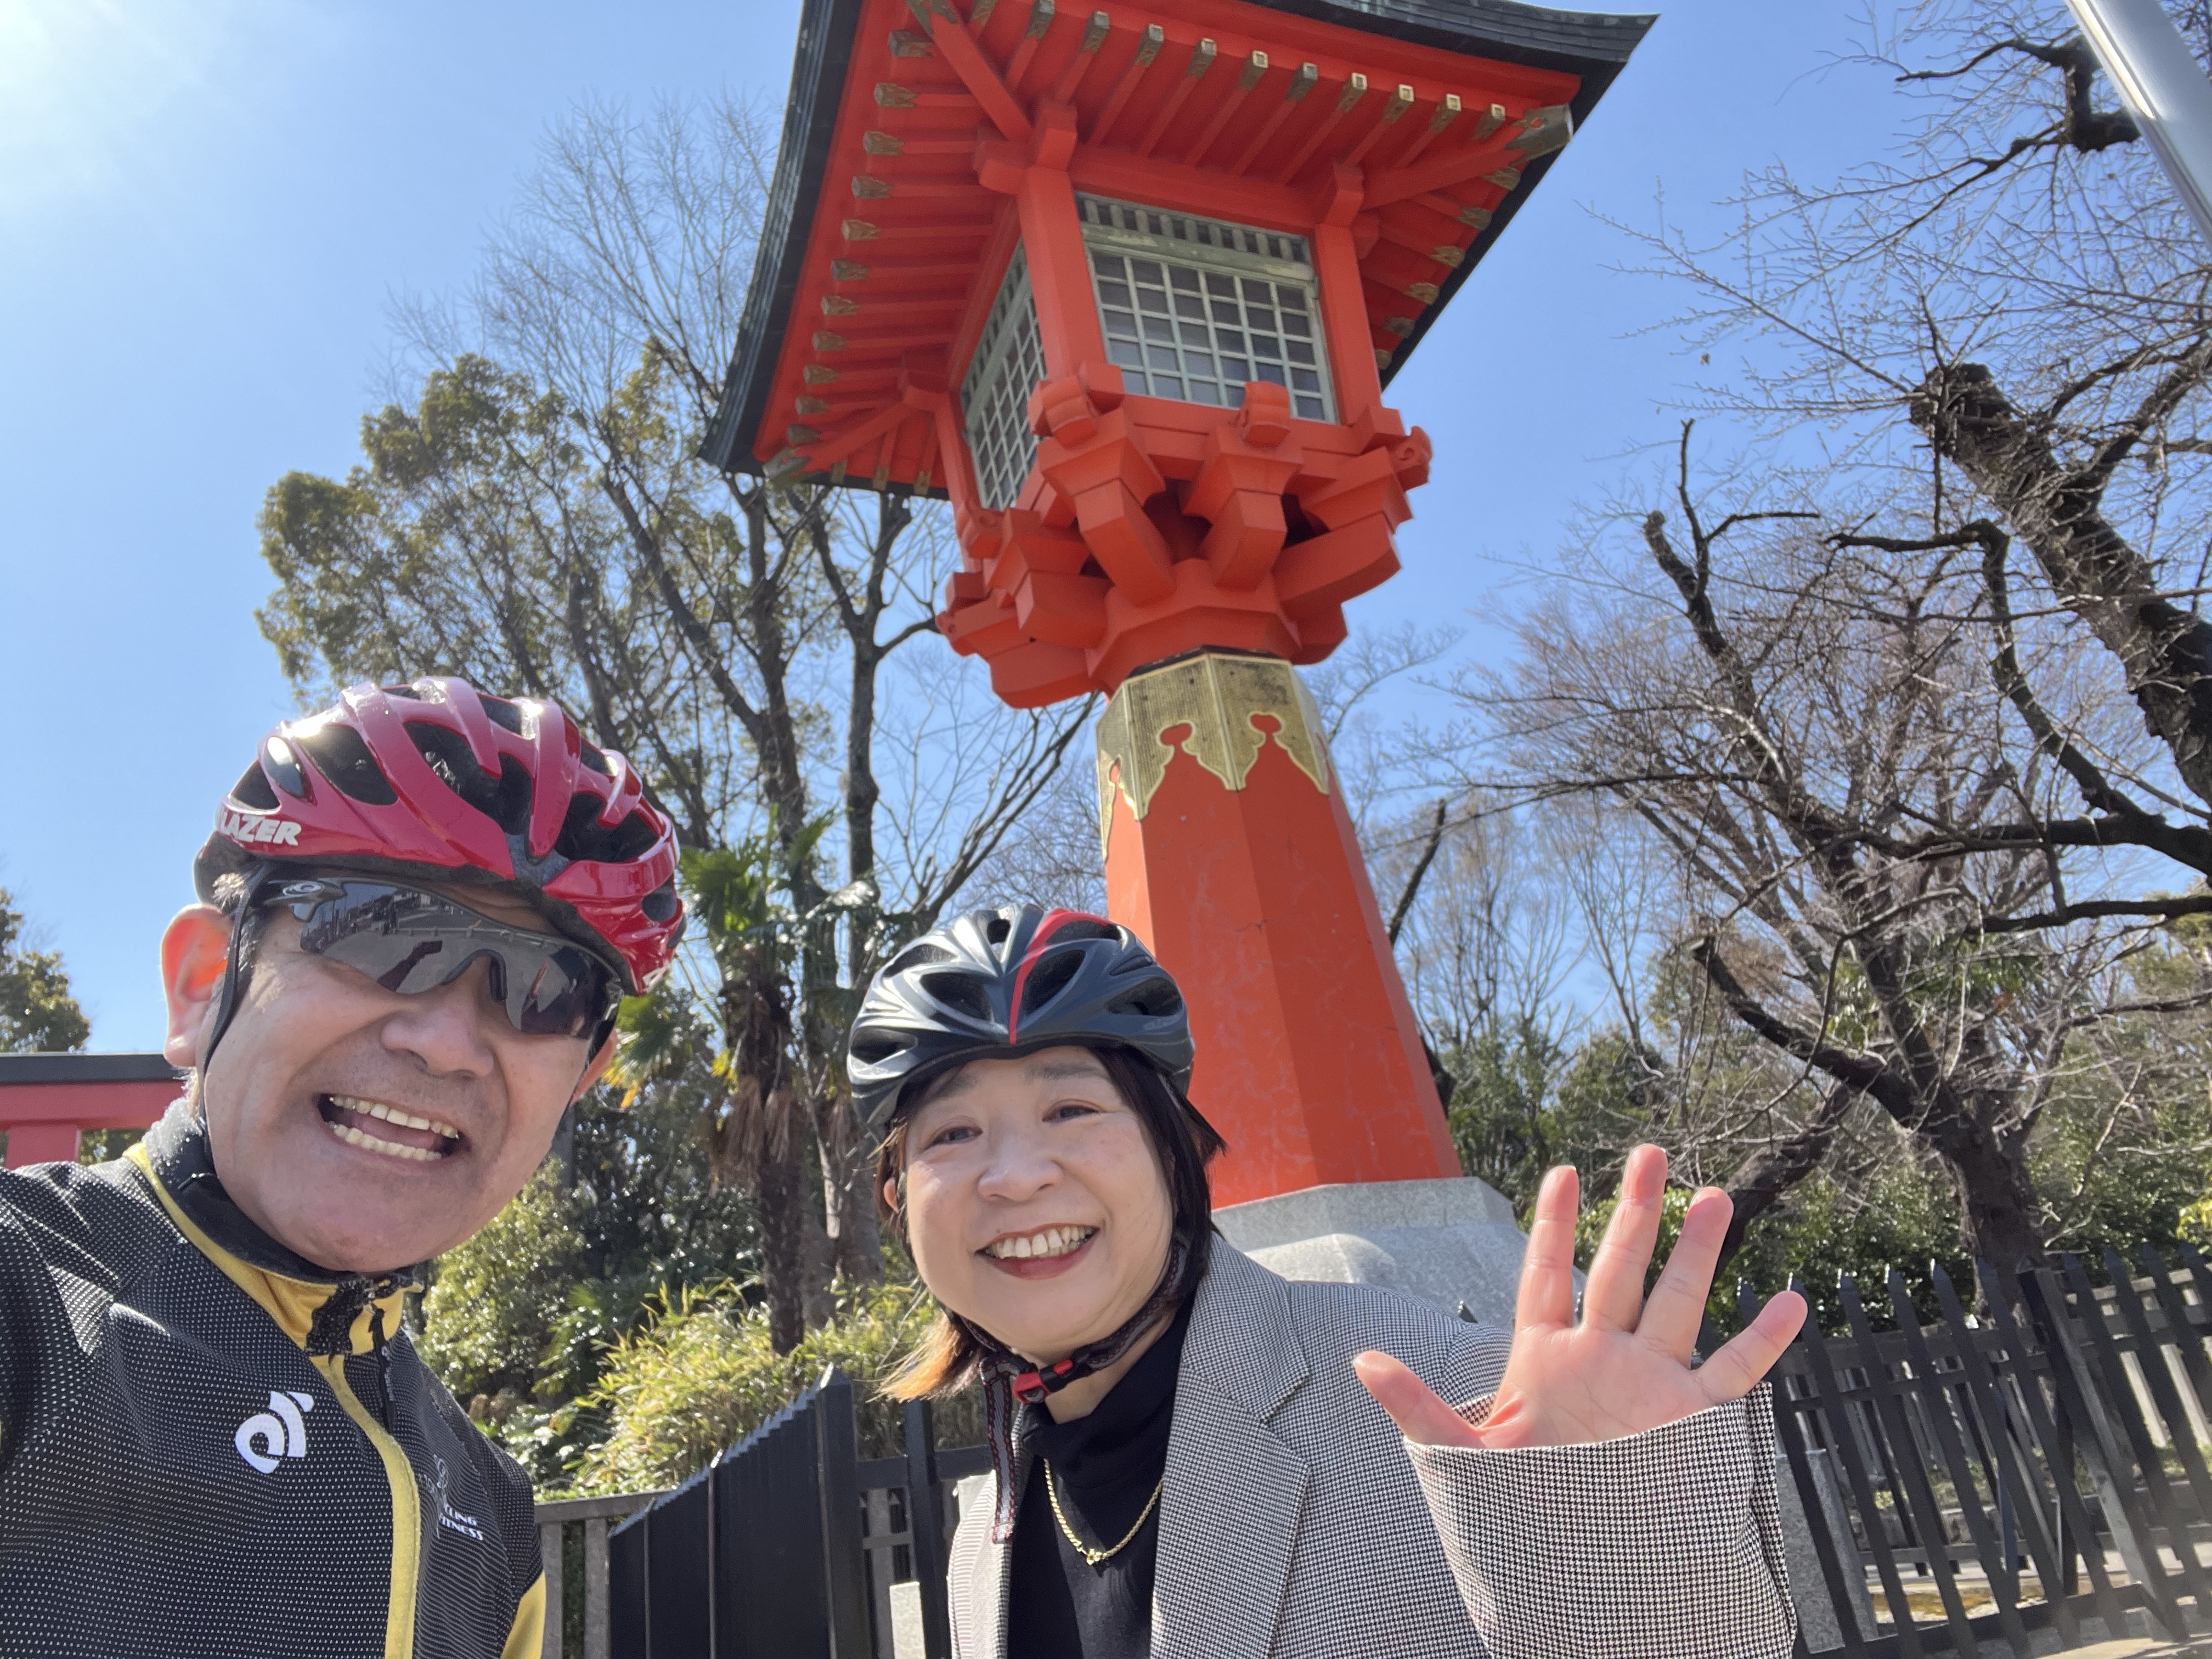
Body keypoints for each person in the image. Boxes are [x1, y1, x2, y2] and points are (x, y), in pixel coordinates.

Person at [850, 904, 1810, 1659]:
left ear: (1180, 1152)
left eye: (1070, 1107)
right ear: (900, 1201)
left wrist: (1618, 1534)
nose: (1014, 1176)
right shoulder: (989, 1522)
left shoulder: (1455, 1404)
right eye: (953, 1134)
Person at [0, 678, 683, 1658]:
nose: (448, 1042)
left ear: (581, 1082)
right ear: (202, 989)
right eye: (377, 931)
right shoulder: (30, 1301)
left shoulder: (489, 1509)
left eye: (546, 989)